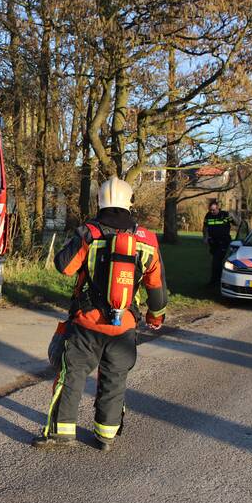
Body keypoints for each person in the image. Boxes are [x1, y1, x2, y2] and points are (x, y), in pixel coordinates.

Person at [33, 177, 168, 452]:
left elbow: (65, 267)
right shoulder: (148, 240)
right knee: (114, 380)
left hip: (87, 323)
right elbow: (157, 287)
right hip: (125, 326)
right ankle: (106, 436)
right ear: (130, 203)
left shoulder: (89, 232)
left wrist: (78, 238)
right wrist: (155, 318)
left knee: (71, 376)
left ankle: (61, 435)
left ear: (100, 202)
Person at [202, 200, 234, 286]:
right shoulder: (208, 215)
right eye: (210, 210)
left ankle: (214, 281)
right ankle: (218, 281)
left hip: (224, 242)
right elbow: (205, 227)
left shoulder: (225, 215)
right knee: (216, 261)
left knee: (216, 261)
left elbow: (236, 223)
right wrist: (205, 237)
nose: (212, 212)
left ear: (218, 208)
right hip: (213, 242)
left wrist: (233, 217)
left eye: (213, 210)